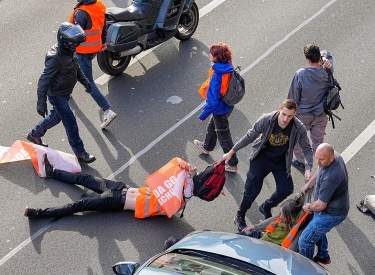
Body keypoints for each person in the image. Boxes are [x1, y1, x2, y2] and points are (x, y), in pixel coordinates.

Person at [221, 99, 313, 231]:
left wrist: (308, 167)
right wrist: (231, 152)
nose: (285, 119)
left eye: (290, 116)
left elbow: (307, 149)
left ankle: (266, 206)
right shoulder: (266, 119)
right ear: (279, 110)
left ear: (294, 115)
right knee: (252, 191)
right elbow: (250, 136)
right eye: (283, 114)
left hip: (280, 160)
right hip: (261, 158)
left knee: (286, 189)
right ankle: (240, 215)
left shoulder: (298, 128)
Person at [24, 154, 197, 219]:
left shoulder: (170, 204)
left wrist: (190, 179)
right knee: (84, 178)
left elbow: (186, 194)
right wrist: (188, 171)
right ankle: (51, 171)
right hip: (120, 187)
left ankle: (38, 213)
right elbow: (174, 174)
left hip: (115, 200)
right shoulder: (167, 188)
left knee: (79, 206)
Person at [26, 22, 96, 163]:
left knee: (56, 117)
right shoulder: (55, 58)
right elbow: (43, 81)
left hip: (64, 93)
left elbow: (76, 69)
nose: (75, 45)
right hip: (57, 95)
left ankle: (34, 134)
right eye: (72, 42)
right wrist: (41, 102)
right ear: (64, 41)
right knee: (70, 121)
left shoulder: (69, 51)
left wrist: (86, 82)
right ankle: (80, 152)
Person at [68, 0, 117, 129]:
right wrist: (103, 42)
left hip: (83, 51)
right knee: (74, 67)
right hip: (95, 47)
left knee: (88, 82)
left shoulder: (81, 13)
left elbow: (75, 35)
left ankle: (107, 110)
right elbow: (103, 25)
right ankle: (67, 92)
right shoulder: (98, 5)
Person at [298, 143, 349, 264]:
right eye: (317, 158)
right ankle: (323, 255)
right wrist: (309, 183)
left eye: (321, 159)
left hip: (330, 214)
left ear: (331, 157)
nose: (318, 162)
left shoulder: (331, 177)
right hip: (326, 208)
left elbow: (320, 205)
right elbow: (320, 169)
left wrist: (309, 207)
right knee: (316, 231)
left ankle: (306, 269)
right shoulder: (333, 156)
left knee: (304, 241)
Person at [193, 42, 239, 173]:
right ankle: (207, 147)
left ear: (216, 57)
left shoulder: (217, 75)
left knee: (224, 136)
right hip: (228, 105)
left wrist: (202, 115)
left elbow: (212, 101)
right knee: (213, 126)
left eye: (211, 54)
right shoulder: (229, 66)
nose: (209, 55)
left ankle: (232, 163)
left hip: (220, 108)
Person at [287, 43, 333, 172]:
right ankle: (322, 168)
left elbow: (292, 99)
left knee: (296, 140)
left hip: (303, 116)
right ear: (319, 57)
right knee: (318, 142)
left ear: (307, 59)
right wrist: (324, 58)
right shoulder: (327, 68)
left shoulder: (301, 75)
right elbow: (327, 52)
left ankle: (302, 162)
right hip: (321, 114)